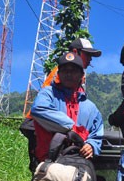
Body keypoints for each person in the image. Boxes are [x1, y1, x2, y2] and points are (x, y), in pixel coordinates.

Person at [22, 38, 102, 171]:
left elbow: (96, 130)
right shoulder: (52, 88)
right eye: (87, 55)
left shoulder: (89, 106)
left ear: (80, 75)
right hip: (44, 136)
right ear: (76, 52)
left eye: (73, 71)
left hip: (76, 162)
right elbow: (40, 108)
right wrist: (72, 128)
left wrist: (92, 145)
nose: (90, 59)